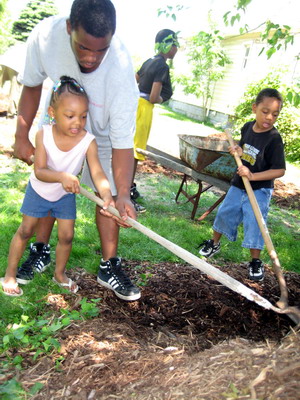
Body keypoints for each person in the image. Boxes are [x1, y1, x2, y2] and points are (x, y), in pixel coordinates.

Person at [12, 0, 141, 301]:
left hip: (107, 136)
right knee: (50, 184)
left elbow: (123, 143)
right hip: (61, 122)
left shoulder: (121, 72)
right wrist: (21, 136)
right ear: (69, 28)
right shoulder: (46, 36)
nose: (92, 57)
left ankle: (109, 266)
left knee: (108, 197)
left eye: (101, 49)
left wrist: (122, 193)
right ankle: (41, 250)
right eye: (84, 47)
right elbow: (31, 85)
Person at [0, 76, 114, 296]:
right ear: (52, 113)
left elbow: (98, 171)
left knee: (67, 236)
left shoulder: (88, 140)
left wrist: (107, 194)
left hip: (64, 196)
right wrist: (63, 177)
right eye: (70, 116)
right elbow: (40, 170)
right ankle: (10, 275)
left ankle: (59, 274)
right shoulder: (43, 134)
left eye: (83, 116)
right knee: (25, 231)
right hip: (39, 191)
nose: (77, 122)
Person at [198, 88, 286, 282]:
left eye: (275, 114)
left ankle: (255, 260)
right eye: (265, 111)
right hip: (239, 184)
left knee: (255, 223)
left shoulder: (274, 139)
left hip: (260, 189)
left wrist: (253, 176)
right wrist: (238, 149)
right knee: (225, 212)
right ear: (255, 108)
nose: (269, 117)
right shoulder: (247, 127)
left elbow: (279, 170)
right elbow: (246, 149)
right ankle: (214, 243)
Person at [130, 29, 179, 212]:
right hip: (144, 109)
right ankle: (126, 193)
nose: (176, 49)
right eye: (175, 45)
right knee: (135, 153)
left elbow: (132, 80)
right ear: (168, 45)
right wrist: (160, 99)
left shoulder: (148, 62)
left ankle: (129, 186)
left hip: (135, 105)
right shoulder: (162, 67)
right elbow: (153, 97)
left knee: (130, 148)